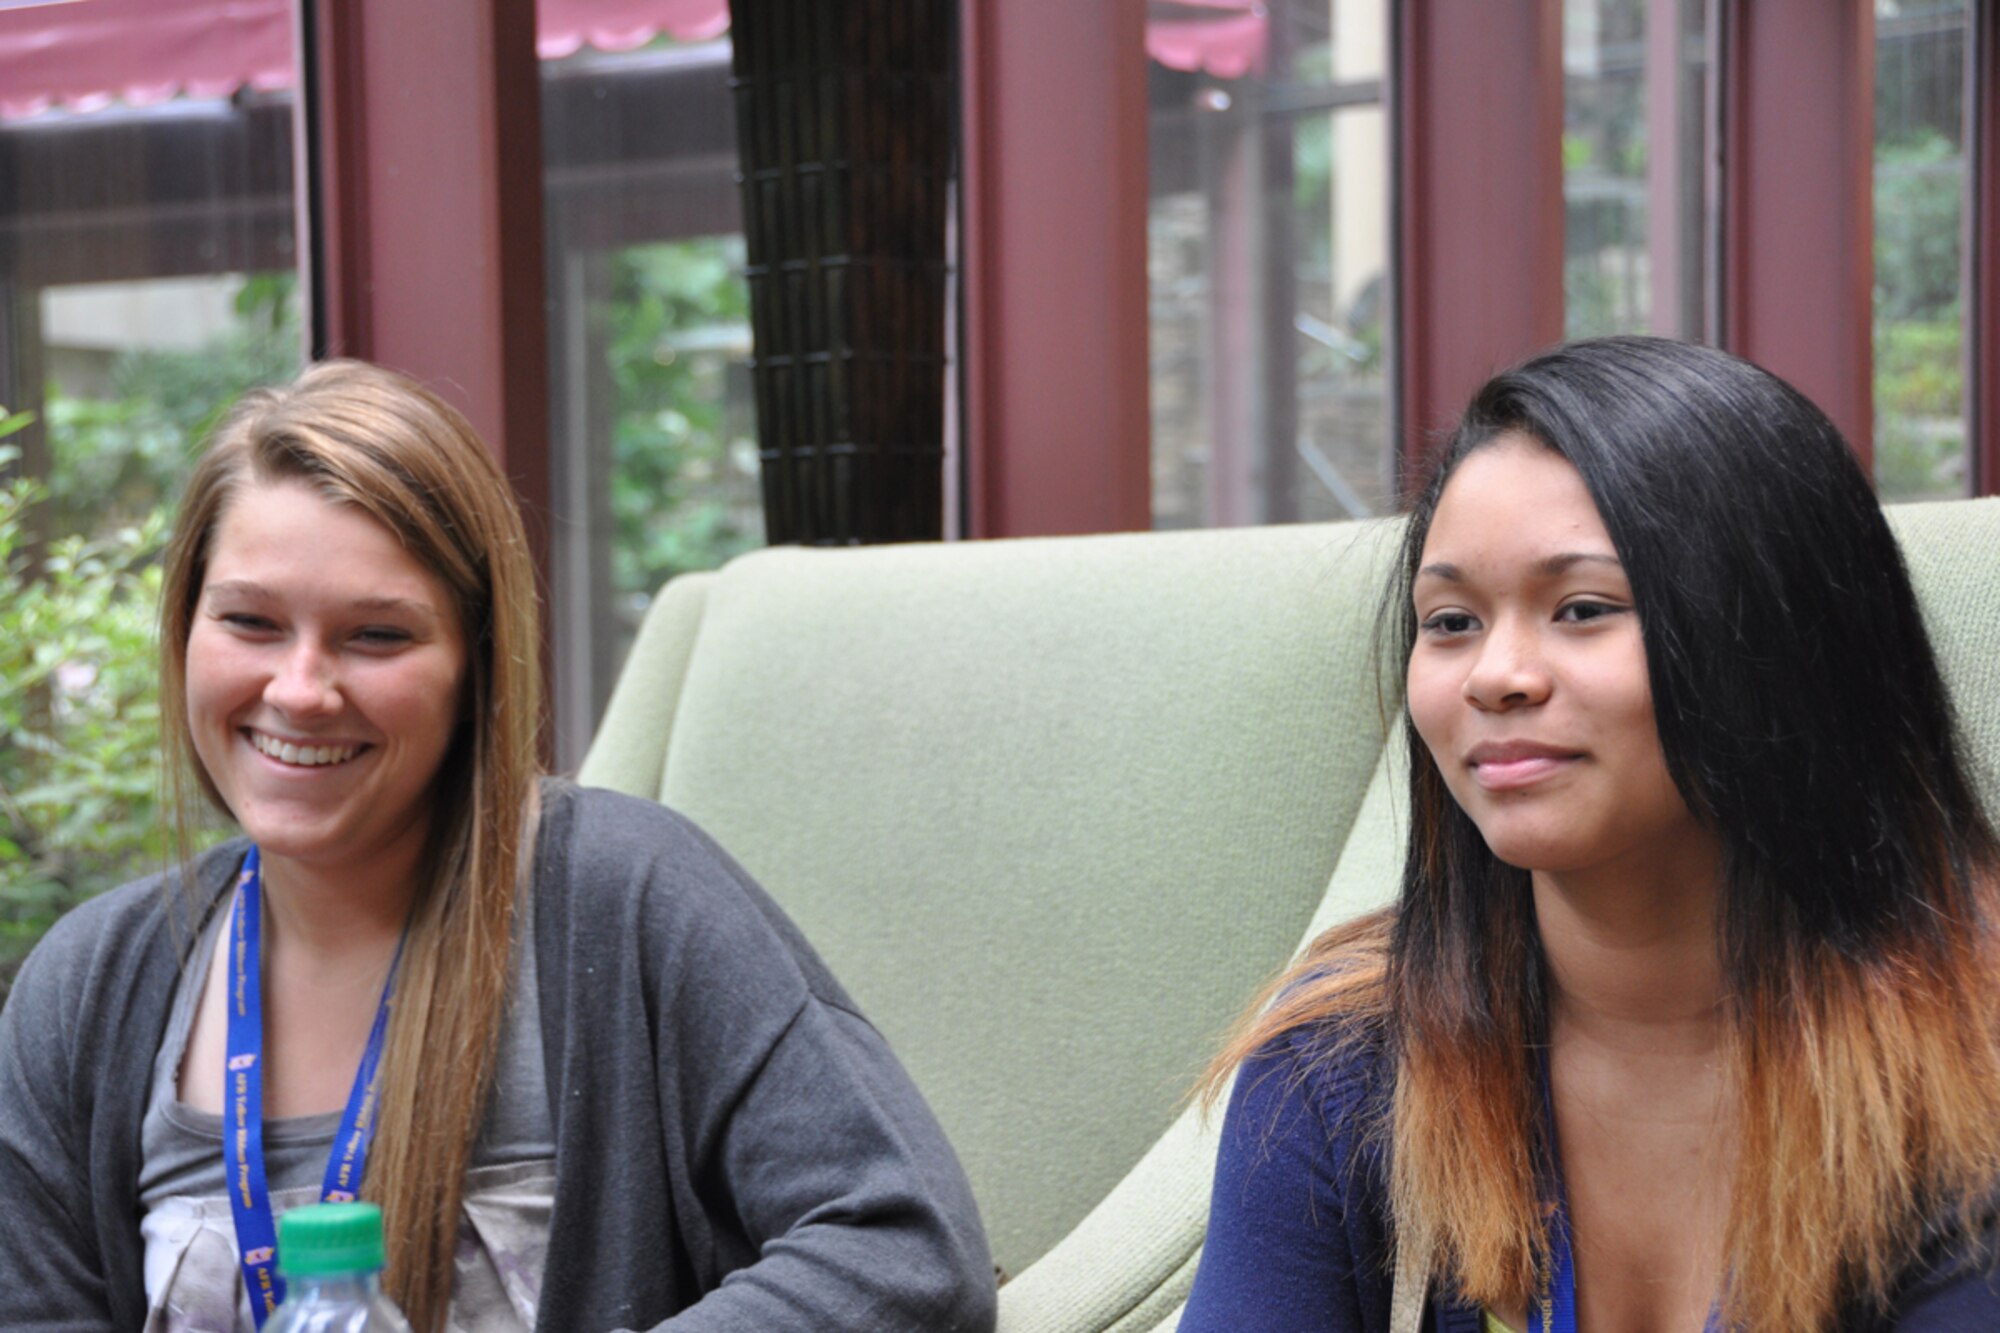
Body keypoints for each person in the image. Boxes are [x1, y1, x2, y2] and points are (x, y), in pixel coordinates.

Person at [0, 360, 996, 1332]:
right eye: (251, 622)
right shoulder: (87, 988)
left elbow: (902, 1248)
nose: (300, 688)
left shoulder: (626, 897)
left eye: (376, 636)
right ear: (184, 633)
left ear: (476, 667)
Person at [1178, 337, 2000, 1331]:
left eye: (1580, 608)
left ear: (1777, 643)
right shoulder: (1343, 1067)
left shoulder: (1965, 1070)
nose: (1496, 673)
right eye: (1449, 622)